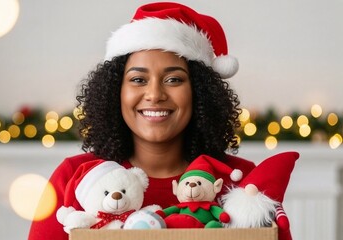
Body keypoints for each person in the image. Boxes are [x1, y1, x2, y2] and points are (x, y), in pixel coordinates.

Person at [28, 2, 290, 240]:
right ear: (115, 91)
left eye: (174, 79)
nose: (154, 94)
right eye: (138, 79)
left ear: (199, 91)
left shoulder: (243, 182)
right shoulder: (75, 177)